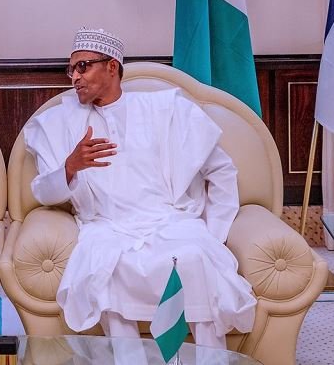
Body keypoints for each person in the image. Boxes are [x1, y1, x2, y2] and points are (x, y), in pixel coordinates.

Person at [23, 27, 256, 349]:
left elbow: (221, 171)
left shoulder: (167, 109)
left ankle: (210, 358)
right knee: (107, 265)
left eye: (83, 67)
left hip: (172, 222)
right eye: (71, 69)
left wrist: (215, 235)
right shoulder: (58, 122)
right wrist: (70, 166)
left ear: (112, 66)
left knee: (195, 258)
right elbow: (44, 194)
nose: (74, 77)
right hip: (106, 226)